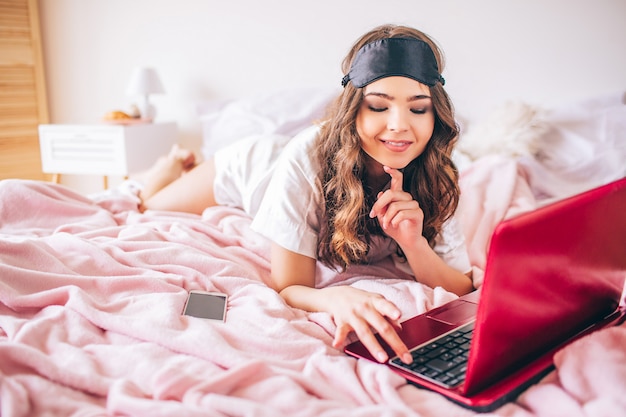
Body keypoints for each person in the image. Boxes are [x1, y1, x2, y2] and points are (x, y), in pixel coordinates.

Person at [136, 24, 474, 366]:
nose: (400, 124)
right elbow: (289, 286)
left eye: (418, 108)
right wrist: (335, 299)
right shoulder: (305, 158)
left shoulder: (440, 170)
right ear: (353, 111)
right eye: (378, 107)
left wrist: (415, 244)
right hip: (255, 166)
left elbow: (460, 287)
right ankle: (172, 163)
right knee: (149, 203)